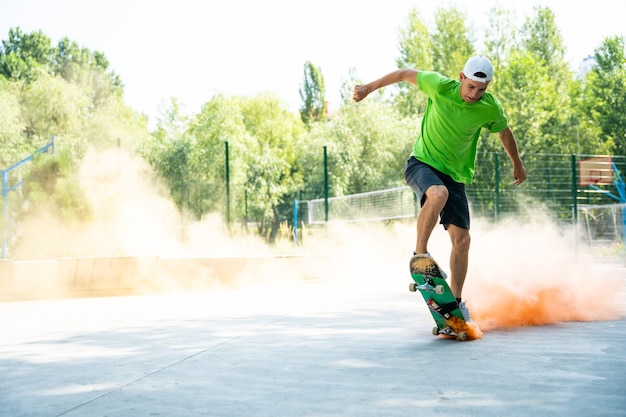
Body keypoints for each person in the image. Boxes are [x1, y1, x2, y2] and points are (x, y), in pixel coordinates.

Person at [353, 56, 527, 321]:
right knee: (437, 194)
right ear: (461, 77)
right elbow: (402, 73)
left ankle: (455, 304)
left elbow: (504, 132)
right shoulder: (438, 85)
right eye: (471, 87)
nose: (475, 94)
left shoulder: (489, 108)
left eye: (482, 90)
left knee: (463, 241)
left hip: (455, 176)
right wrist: (368, 88)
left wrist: (518, 164)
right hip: (422, 164)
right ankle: (420, 256)